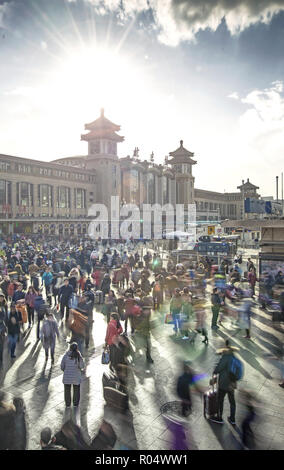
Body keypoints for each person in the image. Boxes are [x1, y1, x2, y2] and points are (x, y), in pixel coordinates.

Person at [210, 340, 241, 425]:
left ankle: (219, 417)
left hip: (224, 383)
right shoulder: (234, 357)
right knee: (232, 401)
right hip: (232, 383)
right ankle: (232, 419)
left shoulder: (225, 357)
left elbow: (219, 368)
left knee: (220, 400)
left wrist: (215, 371)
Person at [60, 342, 85, 408]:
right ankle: (75, 404)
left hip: (67, 377)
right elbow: (82, 366)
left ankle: (68, 404)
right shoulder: (78, 356)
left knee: (67, 390)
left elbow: (62, 366)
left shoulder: (66, 356)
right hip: (76, 377)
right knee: (76, 390)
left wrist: (65, 371)